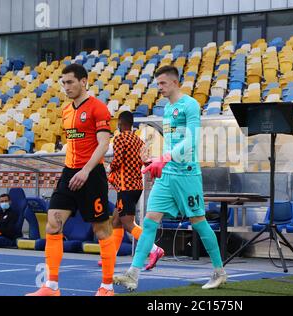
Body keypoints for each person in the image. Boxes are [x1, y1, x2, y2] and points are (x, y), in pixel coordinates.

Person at [113, 65, 227, 291]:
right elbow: (174, 144)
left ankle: (219, 271)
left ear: (175, 82)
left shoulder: (190, 105)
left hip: (186, 175)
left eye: (163, 84)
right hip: (167, 175)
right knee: (148, 222)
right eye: (158, 84)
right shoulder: (166, 109)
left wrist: (164, 158)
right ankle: (133, 274)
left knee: (199, 223)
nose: (160, 88)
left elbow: (191, 141)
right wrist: (154, 159)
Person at [26, 64, 116, 296]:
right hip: (69, 173)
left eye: (70, 82)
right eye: (63, 83)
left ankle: (107, 287)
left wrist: (85, 171)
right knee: (53, 224)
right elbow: (74, 144)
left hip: (92, 174)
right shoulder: (66, 111)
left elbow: (104, 145)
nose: (66, 87)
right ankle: (51, 286)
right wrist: (71, 170)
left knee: (101, 230)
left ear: (84, 81)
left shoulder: (98, 108)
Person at [97, 110, 165, 269]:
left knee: (127, 223)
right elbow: (144, 161)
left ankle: (154, 249)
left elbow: (118, 160)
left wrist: (109, 168)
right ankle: (110, 256)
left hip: (125, 187)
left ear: (120, 124)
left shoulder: (120, 138)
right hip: (136, 186)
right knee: (116, 221)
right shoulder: (139, 140)